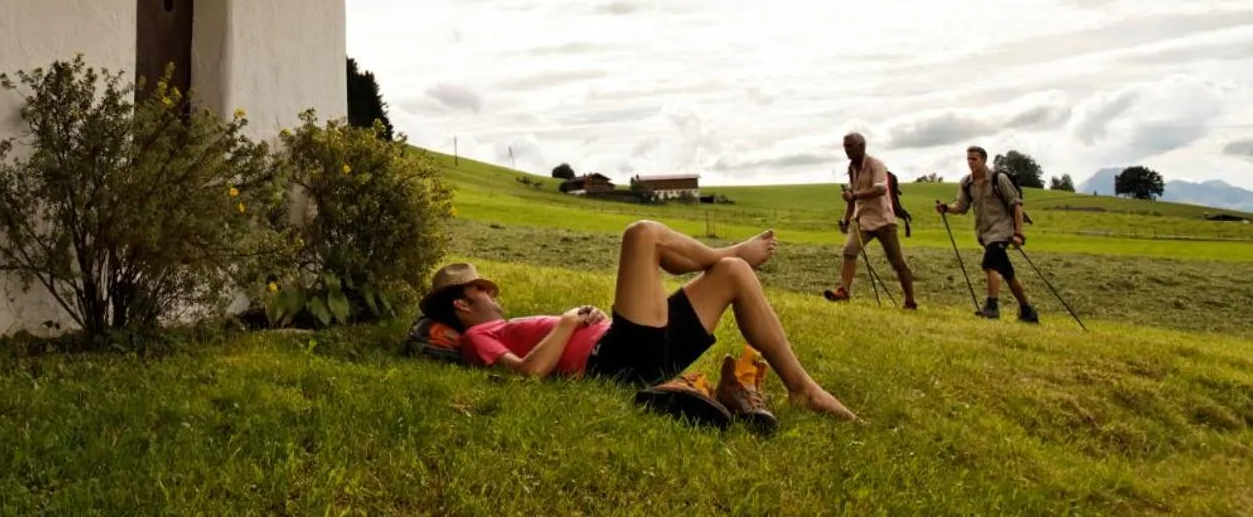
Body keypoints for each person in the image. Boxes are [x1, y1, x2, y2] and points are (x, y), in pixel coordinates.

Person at [419, 222, 856, 423]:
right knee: (642, 235)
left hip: (634, 346)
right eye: (482, 290)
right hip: (614, 361)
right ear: (461, 304)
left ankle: (803, 390)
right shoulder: (477, 336)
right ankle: (730, 251)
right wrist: (569, 323)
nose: (493, 293)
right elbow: (525, 374)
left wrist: (583, 321)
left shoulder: (503, 323)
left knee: (735, 278)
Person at [936, 145, 1039, 323]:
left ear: (983, 160)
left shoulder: (999, 179)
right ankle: (1027, 310)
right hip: (984, 233)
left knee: (990, 263)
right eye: (968, 159)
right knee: (1007, 272)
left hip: (1002, 231)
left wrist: (1019, 235)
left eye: (974, 159)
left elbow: (1016, 205)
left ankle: (992, 307)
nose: (970, 162)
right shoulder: (966, 183)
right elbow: (961, 206)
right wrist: (946, 208)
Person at [825, 132, 917, 309]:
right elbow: (852, 198)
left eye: (850, 146)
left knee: (897, 262)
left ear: (861, 146)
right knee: (849, 251)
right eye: (845, 147)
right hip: (862, 221)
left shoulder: (876, 165)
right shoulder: (851, 168)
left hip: (883, 220)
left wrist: (855, 194)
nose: (846, 150)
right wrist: (845, 220)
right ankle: (843, 292)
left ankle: (910, 301)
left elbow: (880, 189)